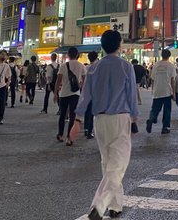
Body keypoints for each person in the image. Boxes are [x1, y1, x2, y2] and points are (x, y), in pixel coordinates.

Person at [70, 30, 137, 220]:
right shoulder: (125, 66)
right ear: (119, 45)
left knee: (107, 162)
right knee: (118, 165)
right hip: (120, 116)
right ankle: (99, 206)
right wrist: (135, 118)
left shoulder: (93, 68)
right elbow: (131, 94)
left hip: (99, 120)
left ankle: (115, 205)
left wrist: (77, 120)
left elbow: (85, 97)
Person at [56, 47, 87, 145]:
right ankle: (69, 138)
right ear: (77, 55)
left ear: (68, 55)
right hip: (75, 94)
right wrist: (81, 87)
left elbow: (58, 80)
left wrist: (55, 92)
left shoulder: (63, 65)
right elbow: (85, 81)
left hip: (64, 93)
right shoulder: (81, 66)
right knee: (72, 116)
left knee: (62, 115)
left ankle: (60, 134)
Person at [147, 49, 176, 135]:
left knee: (155, 108)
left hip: (157, 90)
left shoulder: (156, 65)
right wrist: (174, 93)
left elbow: (152, 79)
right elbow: (172, 80)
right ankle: (165, 127)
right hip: (167, 91)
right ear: (169, 56)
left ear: (161, 55)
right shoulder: (171, 66)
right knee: (167, 110)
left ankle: (151, 119)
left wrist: (153, 89)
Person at [83, 51, 99, 139]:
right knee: (92, 112)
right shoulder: (98, 67)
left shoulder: (86, 67)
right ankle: (90, 131)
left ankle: (85, 129)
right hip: (95, 92)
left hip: (86, 92)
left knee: (87, 111)